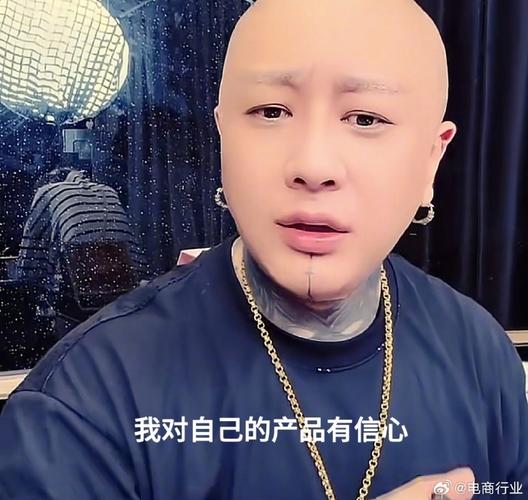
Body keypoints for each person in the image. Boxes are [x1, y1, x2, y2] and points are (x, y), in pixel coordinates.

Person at [0, 0, 526, 498]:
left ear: (432, 160)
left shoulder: (481, 356)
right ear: (224, 138)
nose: (313, 166)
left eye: (366, 119)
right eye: (272, 111)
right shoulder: (85, 404)